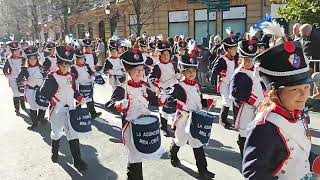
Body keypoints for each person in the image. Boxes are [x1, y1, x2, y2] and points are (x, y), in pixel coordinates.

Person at [242, 40, 316, 179]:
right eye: (295, 89)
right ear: (274, 93)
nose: (304, 94)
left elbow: (300, 148)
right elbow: (255, 175)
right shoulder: (264, 128)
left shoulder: (296, 113)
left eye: (306, 88)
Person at [105, 50, 163, 180]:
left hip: (145, 126)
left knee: (137, 157)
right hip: (130, 127)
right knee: (135, 156)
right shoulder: (122, 88)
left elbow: (155, 101)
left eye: (142, 70)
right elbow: (109, 104)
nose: (140, 73)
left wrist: (163, 99)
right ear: (128, 72)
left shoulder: (145, 86)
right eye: (136, 70)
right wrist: (119, 105)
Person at [160, 54, 215, 179]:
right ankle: (173, 153)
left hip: (196, 118)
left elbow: (199, 101)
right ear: (183, 71)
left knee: (197, 142)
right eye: (188, 71)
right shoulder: (179, 87)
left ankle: (203, 170)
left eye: (193, 71)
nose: (191, 73)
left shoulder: (197, 85)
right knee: (180, 140)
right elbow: (169, 100)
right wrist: (166, 100)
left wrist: (208, 102)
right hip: (183, 119)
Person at [39, 45, 87, 171]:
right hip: (57, 110)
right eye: (63, 65)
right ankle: (54, 152)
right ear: (58, 64)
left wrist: (79, 97)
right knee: (56, 133)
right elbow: (43, 91)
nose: (65, 68)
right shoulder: (52, 76)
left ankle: (78, 161)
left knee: (73, 134)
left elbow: (74, 91)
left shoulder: (71, 76)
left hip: (70, 110)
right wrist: (52, 100)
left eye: (68, 66)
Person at [229, 39, 264, 158]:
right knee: (245, 131)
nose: (249, 62)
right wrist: (252, 100)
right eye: (246, 60)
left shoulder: (254, 70)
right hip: (245, 109)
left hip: (257, 107)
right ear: (241, 59)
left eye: (251, 59)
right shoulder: (239, 74)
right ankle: (244, 154)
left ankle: (252, 152)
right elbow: (235, 93)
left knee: (255, 131)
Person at [148, 40, 180, 137]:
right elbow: (151, 78)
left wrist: (180, 77)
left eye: (167, 54)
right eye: (164, 54)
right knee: (163, 111)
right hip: (163, 91)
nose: (166, 56)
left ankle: (176, 127)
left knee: (176, 109)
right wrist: (159, 84)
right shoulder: (157, 66)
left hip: (174, 90)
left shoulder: (174, 64)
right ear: (160, 55)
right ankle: (164, 128)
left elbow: (178, 74)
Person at [210, 36, 238, 129]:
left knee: (231, 100)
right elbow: (214, 69)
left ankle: (228, 120)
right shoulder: (222, 59)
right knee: (226, 101)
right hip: (224, 83)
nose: (236, 50)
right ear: (228, 49)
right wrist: (215, 76)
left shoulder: (235, 58)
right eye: (234, 49)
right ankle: (222, 120)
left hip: (231, 83)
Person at [16, 46, 47, 129]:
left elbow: (47, 78)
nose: (32, 60)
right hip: (30, 90)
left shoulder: (42, 68)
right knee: (33, 107)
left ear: (37, 59)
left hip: (41, 91)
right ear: (28, 60)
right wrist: (23, 81)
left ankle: (41, 118)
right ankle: (34, 123)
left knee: (42, 106)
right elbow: (18, 79)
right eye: (30, 59)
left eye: (34, 58)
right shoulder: (24, 69)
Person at [71, 48, 102, 119]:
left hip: (88, 86)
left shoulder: (86, 65)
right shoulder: (73, 68)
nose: (83, 60)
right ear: (76, 59)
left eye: (83, 58)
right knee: (79, 101)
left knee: (90, 100)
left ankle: (93, 113)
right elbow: (72, 79)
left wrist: (92, 76)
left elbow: (91, 72)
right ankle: (78, 115)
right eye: (81, 59)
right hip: (79, 86)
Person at [3, 41, 27, 115]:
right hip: (13, 79)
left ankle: (23, 105)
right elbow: (5, 70)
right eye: (14, 51)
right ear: (11, 51)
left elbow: (26, 68)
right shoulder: (9, 60)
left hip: (22, 79)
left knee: (22, 93)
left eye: (17, 50)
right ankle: (17, 108)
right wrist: (9, 76)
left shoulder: (23, 59)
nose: (16, 52)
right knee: (16, 93)